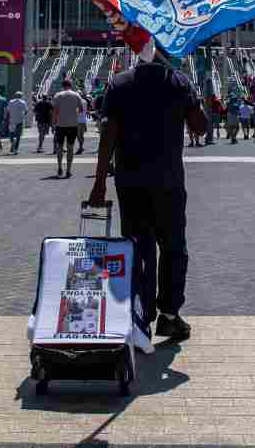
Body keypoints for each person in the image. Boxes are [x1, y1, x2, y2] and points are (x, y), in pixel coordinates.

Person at [88, 53, 207, 347]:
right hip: (168, 181)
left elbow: (108, 134)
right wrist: (195, 98)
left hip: (131, 182)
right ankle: (170, 313)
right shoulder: (180, 82)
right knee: (173, 247)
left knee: (138, 248)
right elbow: (201, 127)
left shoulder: (119, 83)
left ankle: (141, 315)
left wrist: (100, 181)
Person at [52, 78, 83, 178]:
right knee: (70, 147)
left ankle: (60, 167)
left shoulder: (58, 95)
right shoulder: (76, 95)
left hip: (60, 125)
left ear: (63, 86)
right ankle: (68, 170)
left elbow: (55, 111)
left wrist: (53, 123)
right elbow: (81, 109)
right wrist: (74, 114)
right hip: (73, 124)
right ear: (71, 85)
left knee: (59, 147)